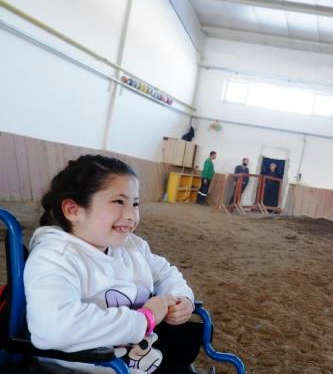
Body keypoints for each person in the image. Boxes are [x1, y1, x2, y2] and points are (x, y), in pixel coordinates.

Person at [25, 155, 203, 374]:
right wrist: (145, 319)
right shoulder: (54, 256)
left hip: (143, 360)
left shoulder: (132, 246)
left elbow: (164, 273)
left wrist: (181, 298)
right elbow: (53, 327)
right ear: (73, 210)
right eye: (119, 202)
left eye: (135, 203)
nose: (131, 215)